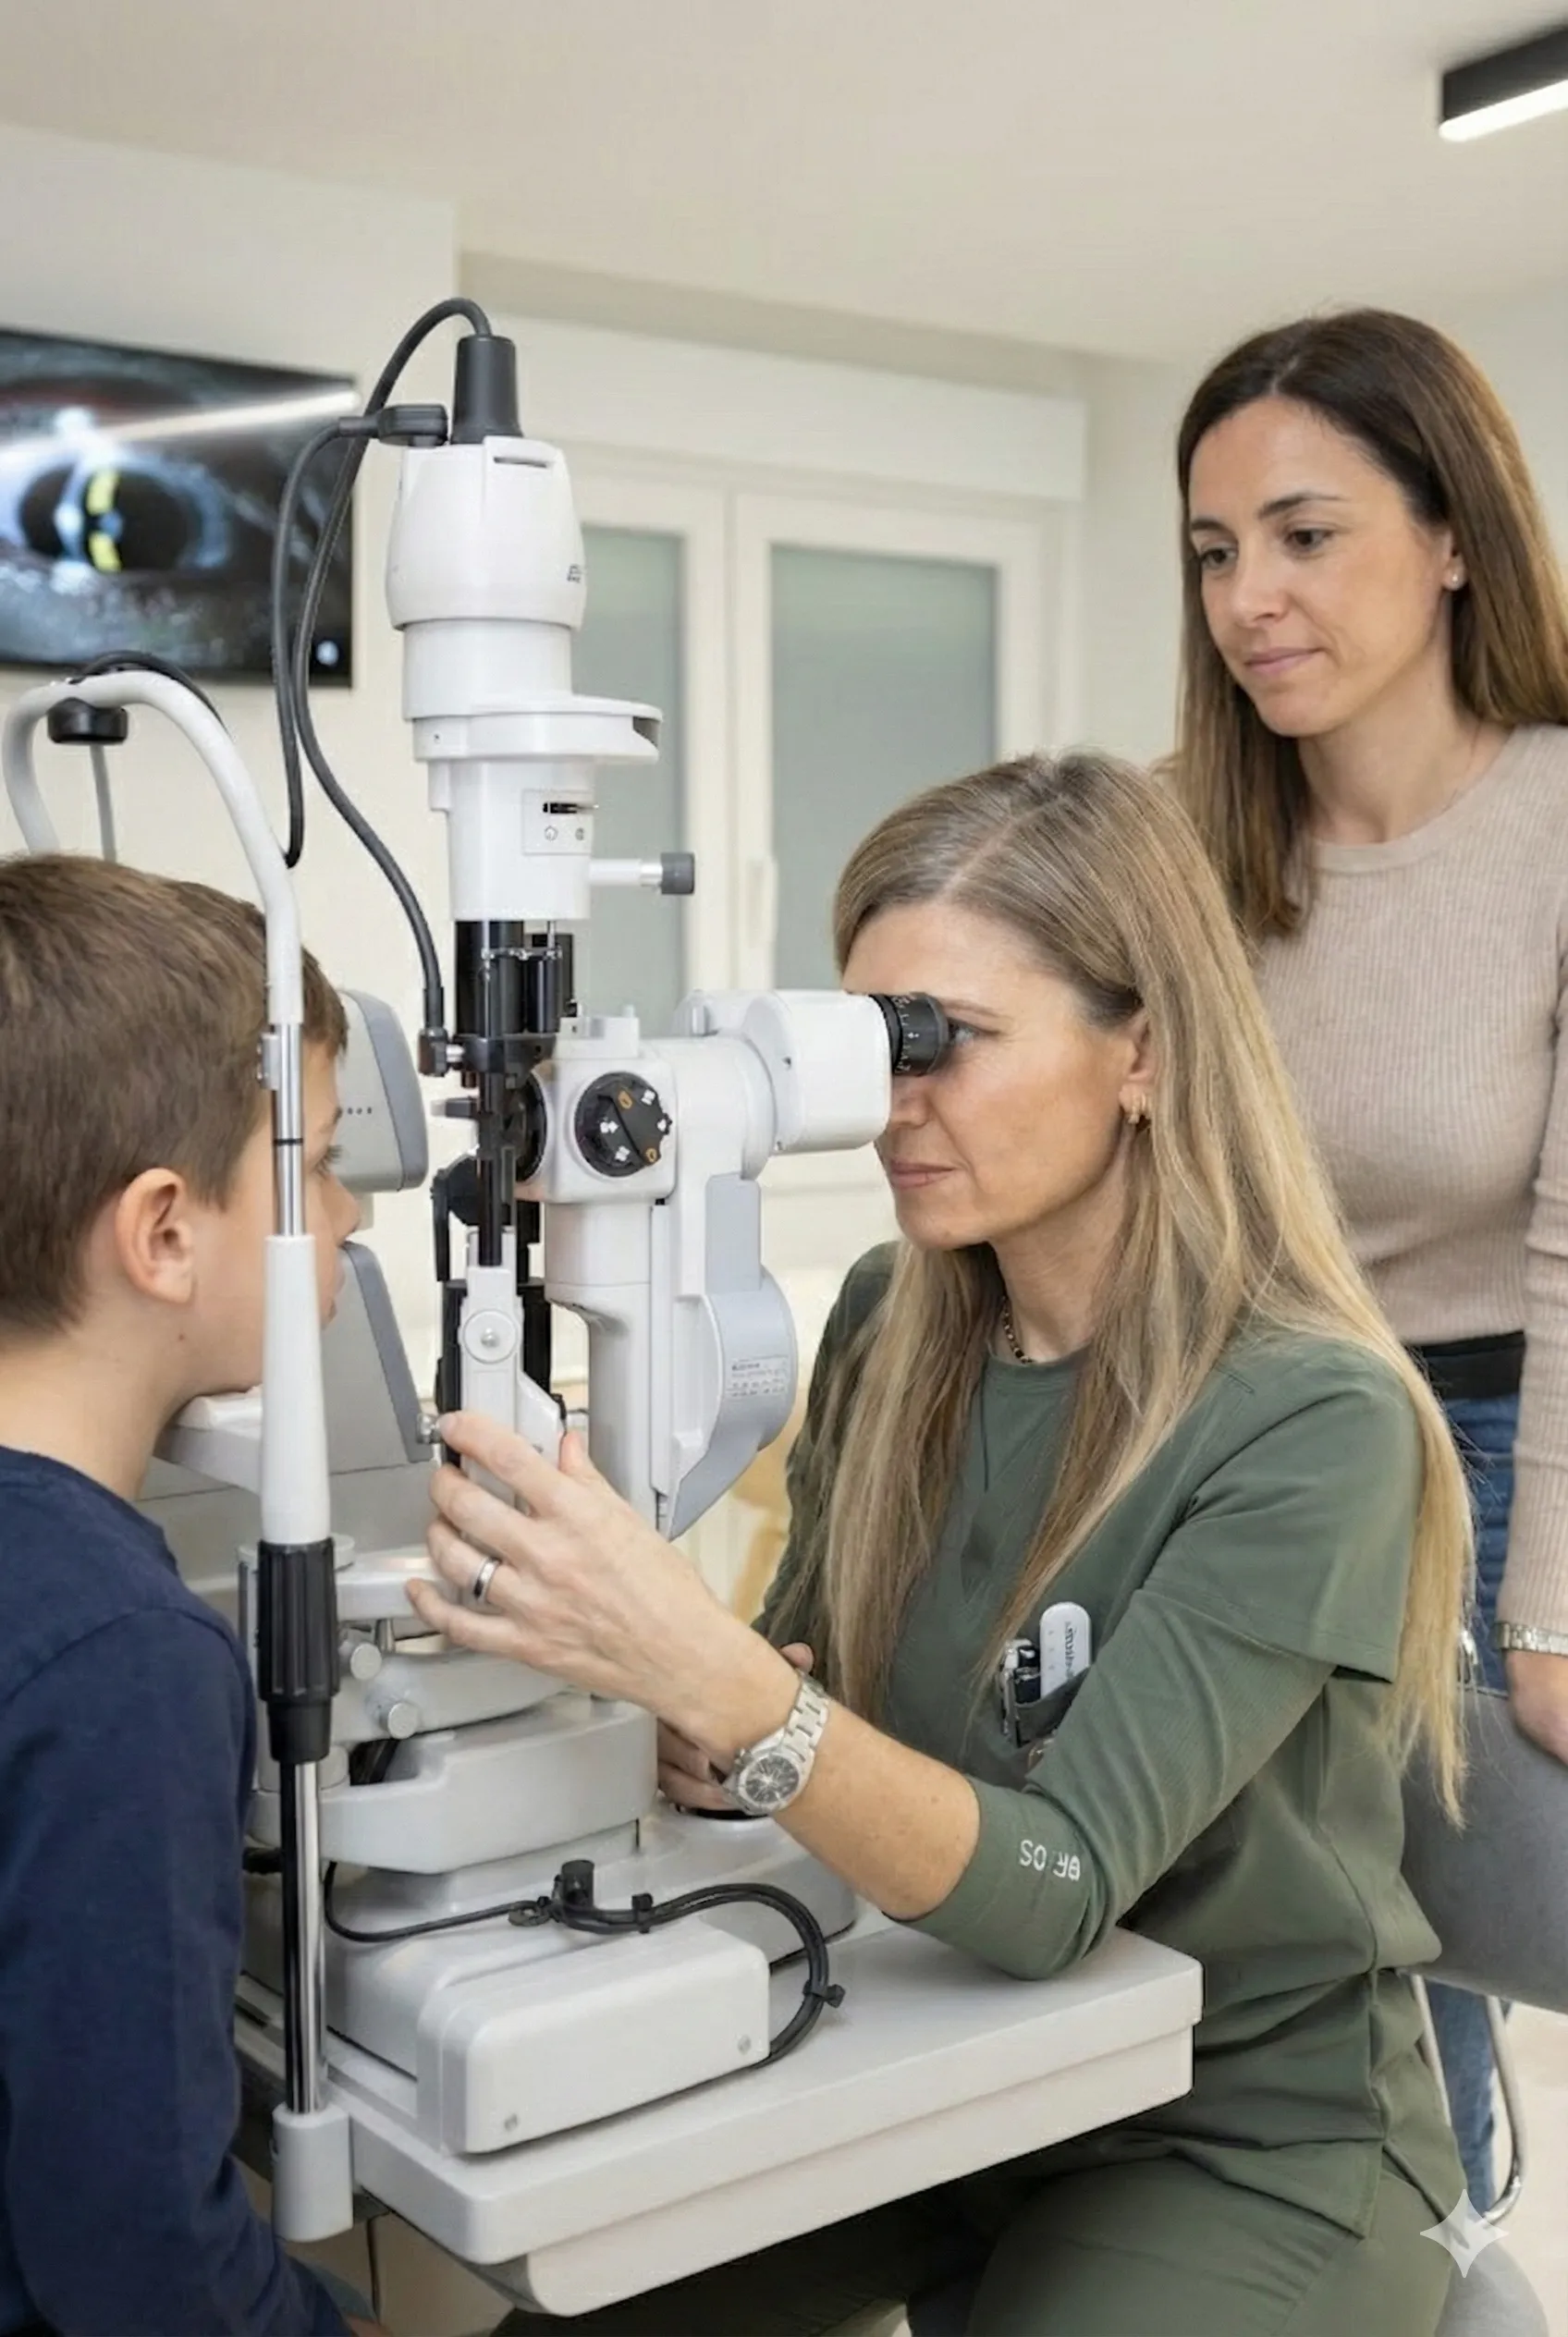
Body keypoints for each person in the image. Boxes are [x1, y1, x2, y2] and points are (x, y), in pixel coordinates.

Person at [409, 751, 1471, 2337]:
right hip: (935, 2054)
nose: (888, 1106)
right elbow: (805, 1689)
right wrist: (695, 1716)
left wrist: (728, 1687)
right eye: (863, 1046)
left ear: (1145, 1057)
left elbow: (1059, 1892)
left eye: (943, 1044)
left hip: (1230, 2126)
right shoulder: (890, 1325)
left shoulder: (1308, 1418)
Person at [1171, 305, 1568, 2210]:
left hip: (1485, 1450)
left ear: (1452, 536)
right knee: (1305, 1963)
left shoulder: (1557, 825)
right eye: (1214, 551)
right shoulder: (1191, 849)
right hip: (1238, 1448)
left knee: (1449, 1942)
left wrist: (1549, 1605)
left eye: (1303, 535)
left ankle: (1444, 2250)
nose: (1249, 596)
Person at [0, 856, 381, 2337]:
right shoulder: (122, 1656)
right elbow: (141, 2263)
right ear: (164, 1232)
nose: (345, 1217)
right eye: (321, 1164)